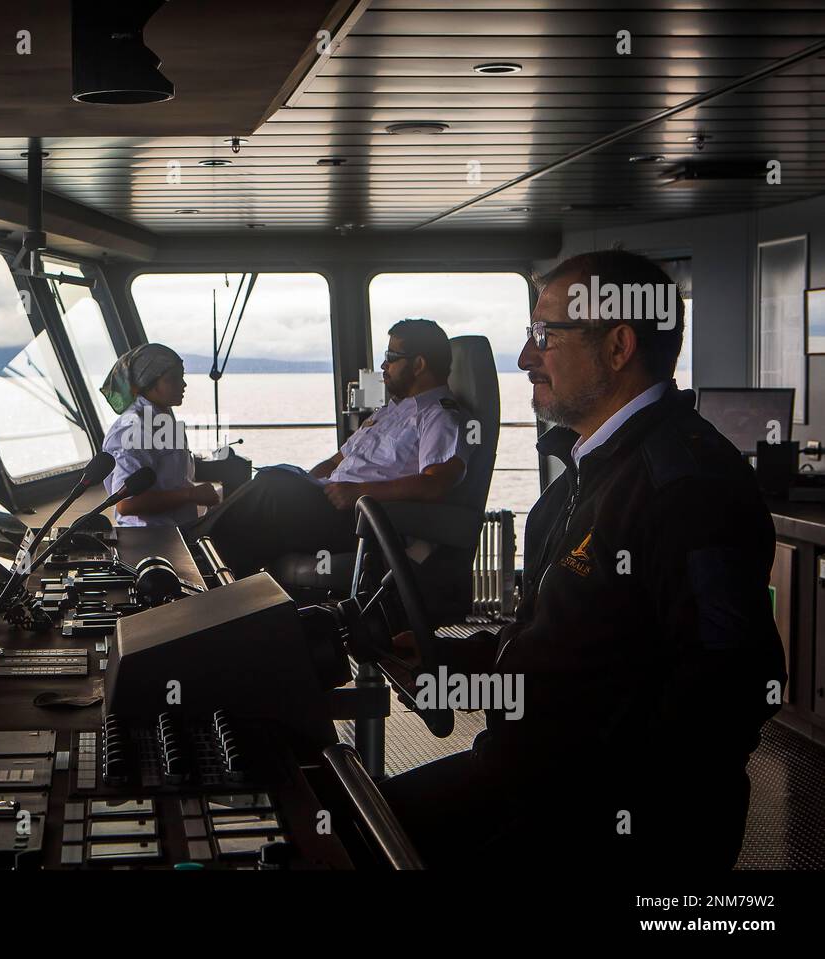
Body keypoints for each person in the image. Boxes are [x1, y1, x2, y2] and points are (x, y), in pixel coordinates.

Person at [379, 250, 786, 869]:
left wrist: (596, 809)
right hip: (528, 772)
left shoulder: (687, 486)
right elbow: (570, 647)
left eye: (545, 336)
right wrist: (452, 657)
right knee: (364, 826)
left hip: (604, 815)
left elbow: (732, 689)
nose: (525, 358)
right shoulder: (583, 476)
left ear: (618, 345)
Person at [190, 318, 470, 577]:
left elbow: (434, 485)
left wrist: (359, 492)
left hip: (365, 522)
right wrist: (307, 483)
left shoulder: (439, 416)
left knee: (272, 487)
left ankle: (188, 561)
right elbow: (337, 461)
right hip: (331, 505)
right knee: (272, 489)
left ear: (419, 364)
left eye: (391, 358)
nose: (383, 366)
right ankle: (206, 575)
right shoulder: (389, 412)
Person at [99, 343, 219, 526]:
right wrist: (191, 494)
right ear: (149, 384)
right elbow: (125, 504)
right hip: (152, 539)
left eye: (182, 377)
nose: (183, 384)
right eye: (173, 378)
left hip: (176, 532)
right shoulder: (134, 430)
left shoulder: (160, 419)